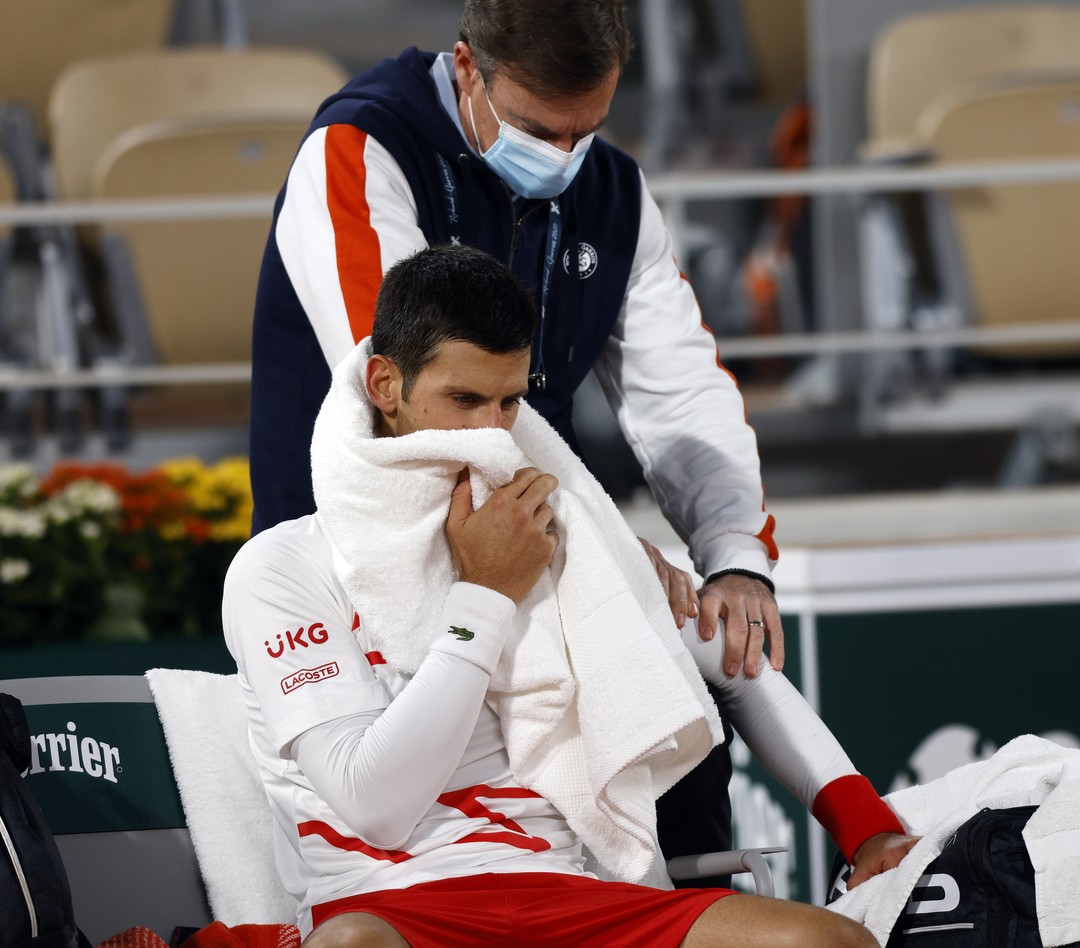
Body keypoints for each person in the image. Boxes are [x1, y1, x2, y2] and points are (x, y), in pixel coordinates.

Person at [225, 245, 916, 947]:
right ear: (384, 385)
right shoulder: (285, 565)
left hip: (569, 894)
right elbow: (375, 807)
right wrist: (486, 597)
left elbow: (729, 658)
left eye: (509, 402)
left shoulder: (564, 530)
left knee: (828, 943)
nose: (490, 432)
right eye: (462, 400)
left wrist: (865, 829)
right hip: (392, 909)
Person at [248, 0, 780, 869]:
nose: (566, 160)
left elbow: (679, 390)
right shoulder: (358, 148)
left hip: (535, 545)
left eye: (589, 130)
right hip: (354, 572)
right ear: (468, 69)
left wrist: (730, 553)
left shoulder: (615, 191)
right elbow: (409, 407)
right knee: (398, 845)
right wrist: (595, 534)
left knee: (676, 765)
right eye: (539, 128)